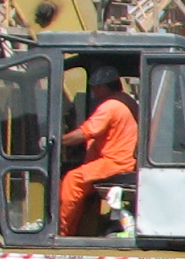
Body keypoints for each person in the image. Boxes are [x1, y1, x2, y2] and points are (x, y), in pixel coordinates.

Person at [56, 67, 139, 237]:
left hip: (116, 162)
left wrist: (59, 141)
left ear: (103, 87)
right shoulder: (127, 101)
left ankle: (62, 233)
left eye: (94, 87)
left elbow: (87, 132)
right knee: (82, 180)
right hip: (124, 160)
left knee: (73, 180)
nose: (93, 92)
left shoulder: (110, 106)